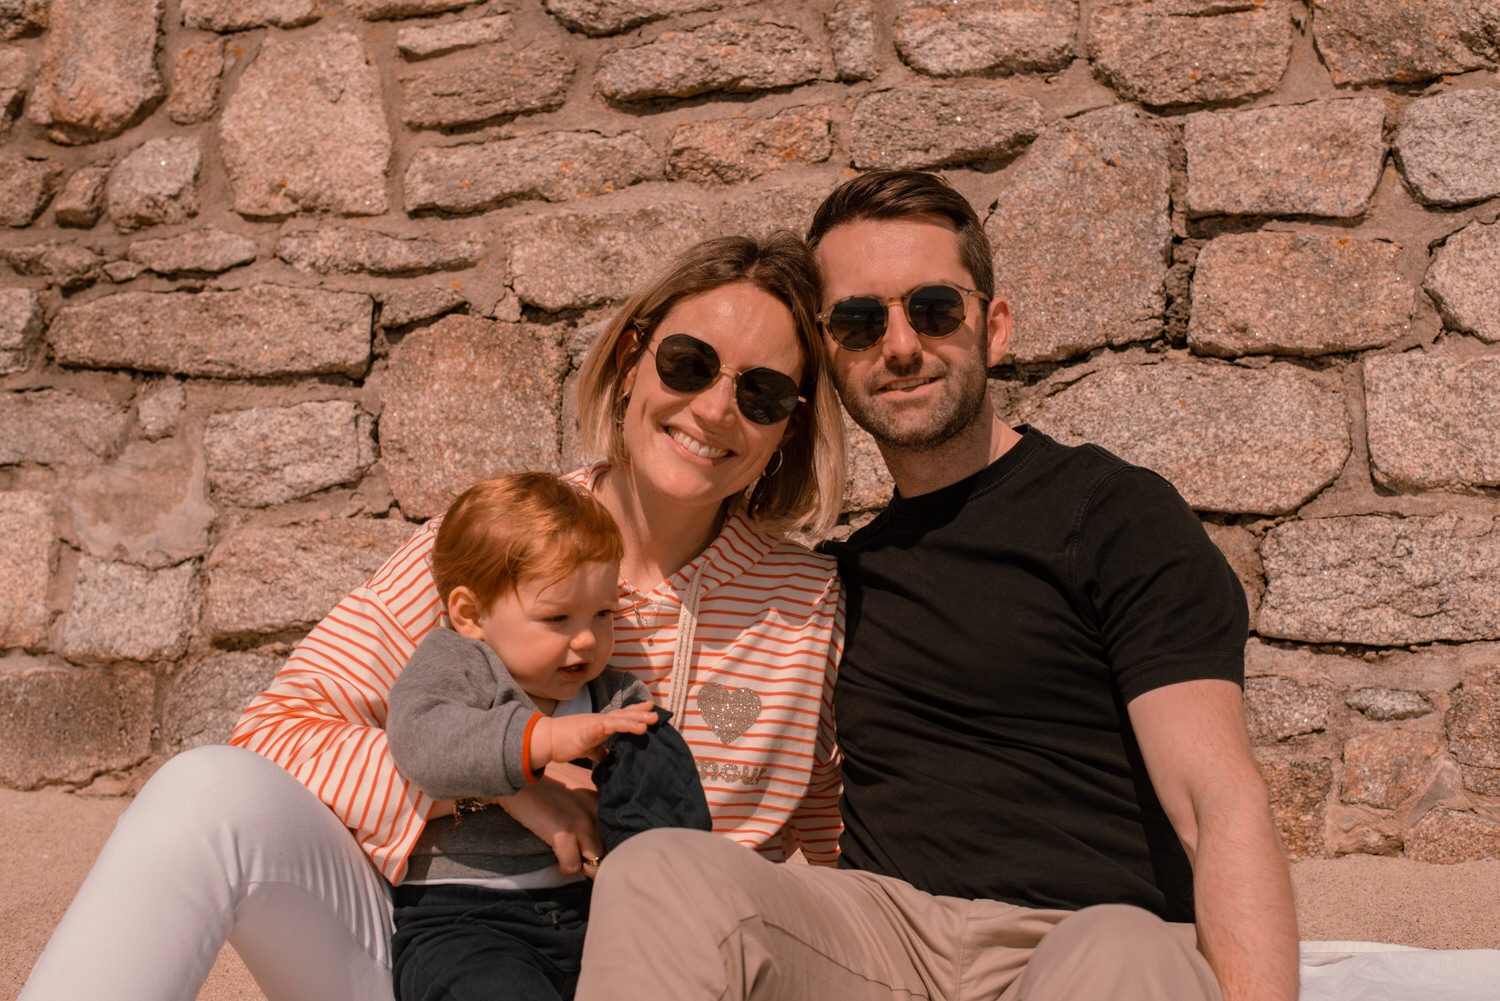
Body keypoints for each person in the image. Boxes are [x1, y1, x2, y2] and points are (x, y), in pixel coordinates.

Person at [19, 232, 846, 1001]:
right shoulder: (499, 541)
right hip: (453, 946)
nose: (714, 409)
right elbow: (277, 732)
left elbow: (834, 841)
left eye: (764, 391)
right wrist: (502, 785)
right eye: (689, 361)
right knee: (208, 793)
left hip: (673, 975)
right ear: (632, 360)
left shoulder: (809, 606)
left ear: (788, 429)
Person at [574, 169, 1300, 1001]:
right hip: (884, 936)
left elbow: (1219, 798)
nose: (901, 345)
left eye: (932, 308)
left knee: (1121, 946)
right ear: (828, 364)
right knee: (665, 867)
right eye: (857, 321)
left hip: (1083, 941)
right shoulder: (836, 582)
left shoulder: (1111, 515)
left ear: (993, 327)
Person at [384, 472, 709, 1001]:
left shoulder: (614, 695)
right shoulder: (459, 665)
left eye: (603, 613)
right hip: (467, 917)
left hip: (590, 916)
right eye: (557, 617)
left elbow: (660, 800)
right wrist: (547, 740)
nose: (587, 638)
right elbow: (423, 743)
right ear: (471, 613)